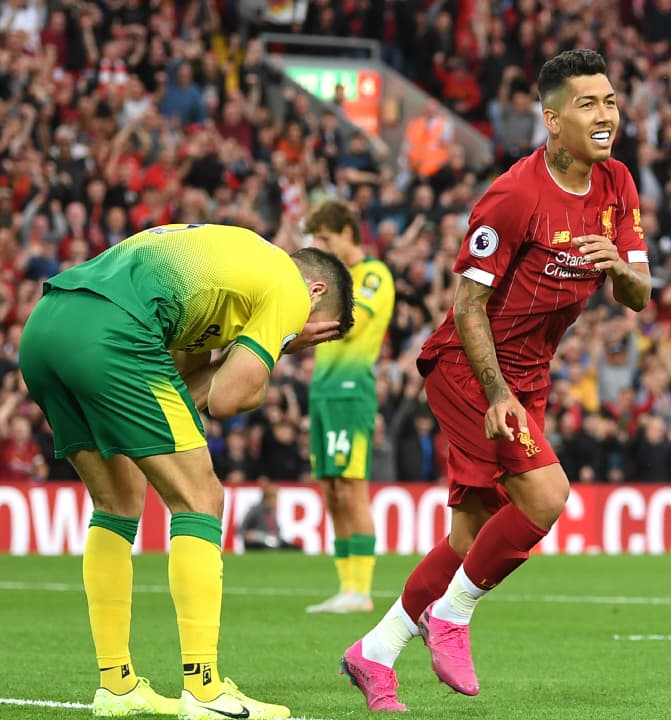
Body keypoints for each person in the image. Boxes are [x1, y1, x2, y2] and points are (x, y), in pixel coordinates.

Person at [337, 49, 652, 711]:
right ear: (553, 120)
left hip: (529, 375)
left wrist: (619, 269)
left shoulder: (618, 183)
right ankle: (450, 617)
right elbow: (467, 306)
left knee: (469, 536)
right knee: (547, 497)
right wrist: (499, 393)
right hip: (470, 368)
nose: (605, 116)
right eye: (588, 104)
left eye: (610, 101)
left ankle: (376, 651)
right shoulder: (514, 196)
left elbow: (640, 295)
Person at [18, 223, 354, 719]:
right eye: (316, 333)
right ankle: (204, 690)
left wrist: (239, 351)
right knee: (202, 499)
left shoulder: (231, 272)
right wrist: (278, 344)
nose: (306, 342)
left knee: (118, 501)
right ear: (316, 290)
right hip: (113, 332)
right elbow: (229, 398)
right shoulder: (288, 283)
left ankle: (117, 685)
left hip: (47, 327)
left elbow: (181, 387)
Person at [302, 199, 396, 614]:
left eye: (325, 239)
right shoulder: (330, 280)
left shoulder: (373, 275)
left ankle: (362, 590)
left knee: (352, 488)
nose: (321, 247)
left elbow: (352, 324)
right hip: (322, 390)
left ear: (346, 233)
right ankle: (345, 587)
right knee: (331, 490)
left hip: (351, 389)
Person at [239, 480, 300, 551]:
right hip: (258, 543)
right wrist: (248, 535)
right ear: (268, 498)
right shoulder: (255, 510)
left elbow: (277, 531)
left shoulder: (272, 513)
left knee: (293, 548)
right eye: (275, 498)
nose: (276, 501)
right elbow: (241, 530)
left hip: (271, 542)